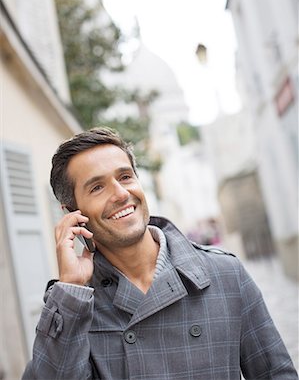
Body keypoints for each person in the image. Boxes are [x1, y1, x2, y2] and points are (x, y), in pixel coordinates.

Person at [22, 127, 298, 380]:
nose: (120, 193)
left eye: (125, 177)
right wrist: (71, 288)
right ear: (73, 213)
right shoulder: (70, 305)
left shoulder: (225, 274)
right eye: (97, 187)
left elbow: (276, 374)